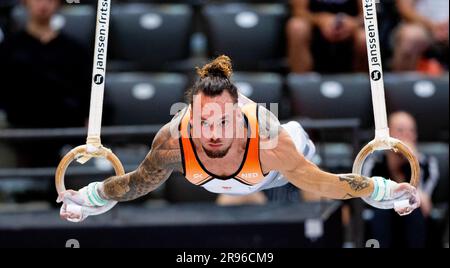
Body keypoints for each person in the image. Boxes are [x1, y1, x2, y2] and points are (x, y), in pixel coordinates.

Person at [57, 56, 420, 222]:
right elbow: (136, 185)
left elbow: (328, 185)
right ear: (190, 118)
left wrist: (385, 190)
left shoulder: (269, 140)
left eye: (223, 121)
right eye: (203, 122)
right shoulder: (173, 140)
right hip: (226, 178)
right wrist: (89, 196)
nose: (213, 133)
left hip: (270, 168)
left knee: (294, 137)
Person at [0, 0, 91, 167]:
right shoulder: (8, 50)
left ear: (58, 4)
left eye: (49, 0)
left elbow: (88, 95)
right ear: (25, 2)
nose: (43, 4)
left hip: (67, 137)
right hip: (19, 135)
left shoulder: (75, 50)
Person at [363, 111, 440, 247]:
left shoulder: (427, 163)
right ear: (389, 134)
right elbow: (370, 197)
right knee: (383, 211)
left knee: (413, 208)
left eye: (411, 130)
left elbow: (424, 202)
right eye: (400, 130)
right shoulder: (375, 161)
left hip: (414, 217)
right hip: (383, 214)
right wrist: (393, 165)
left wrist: (414, 162)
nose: (406, 135)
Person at [287, 0, 367, 73]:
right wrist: (321, 20)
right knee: (296, 27)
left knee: (364, 38)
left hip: (351, 29)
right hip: (314, 27)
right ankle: (300, 83)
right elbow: (298, 12)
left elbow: (366, 14)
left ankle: (361, 83)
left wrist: (352, 24)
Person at [391, 0, 448, 73]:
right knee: (411, 37)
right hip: (420, 25)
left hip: (445, 27)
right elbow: (405, 9)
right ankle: (402, 81)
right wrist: (432, 26)